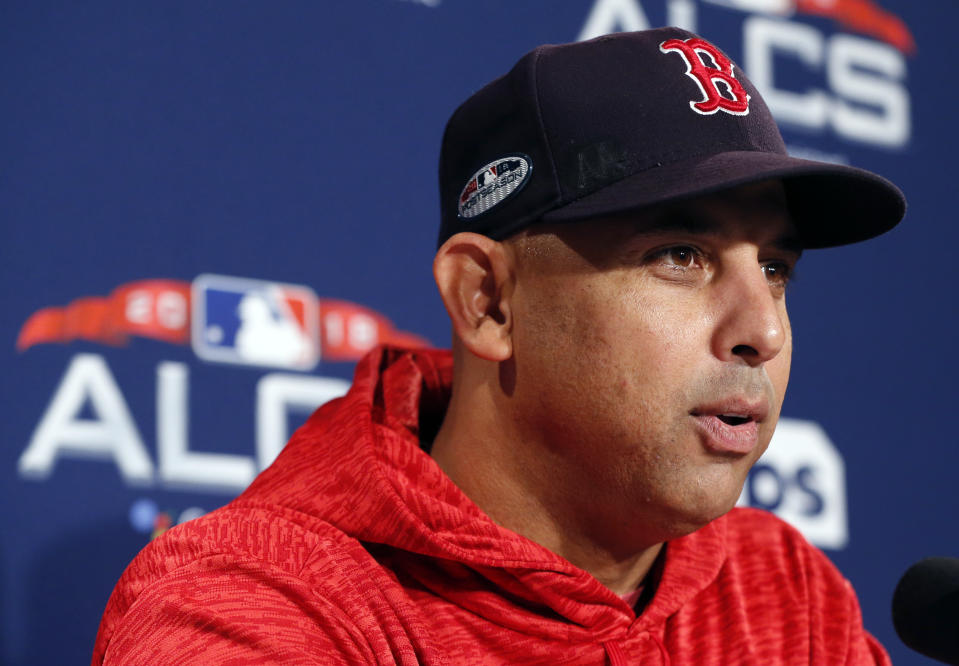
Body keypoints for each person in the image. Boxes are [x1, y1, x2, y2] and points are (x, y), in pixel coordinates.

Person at [92, 27, 905, 664]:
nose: (761, 329)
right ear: (487, 301)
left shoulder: (778, 587)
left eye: (773, 267)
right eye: (678, 257)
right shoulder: (255, 602)